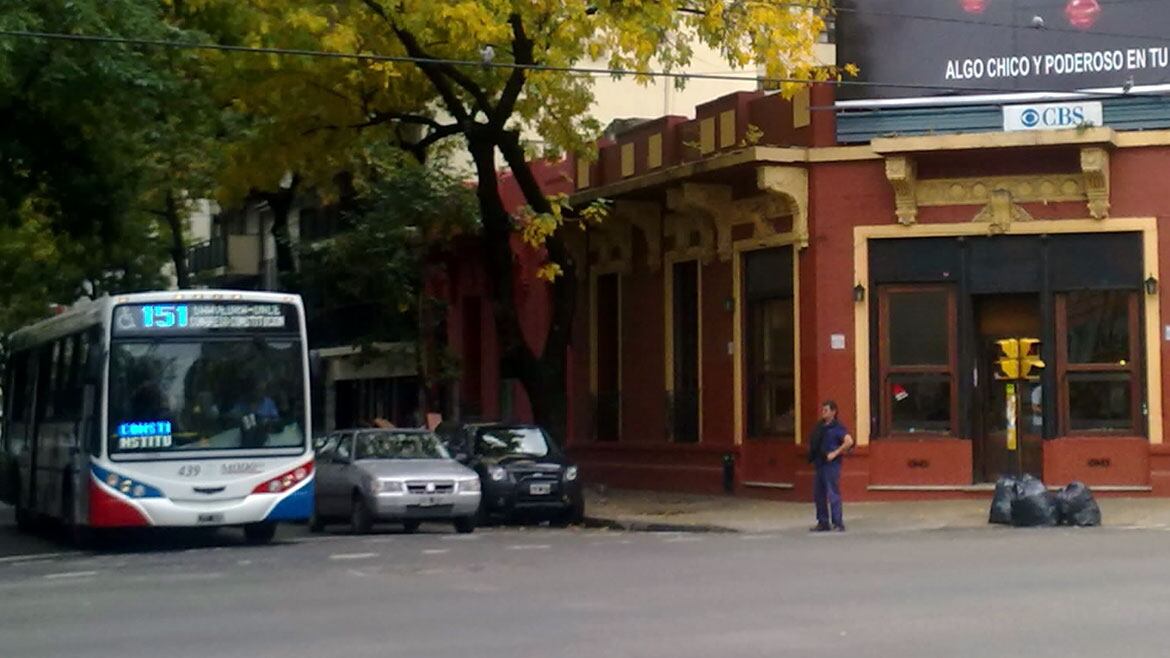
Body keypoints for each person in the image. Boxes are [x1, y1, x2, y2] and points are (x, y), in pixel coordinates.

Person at [808, 400, 855, 532]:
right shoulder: (820, 426)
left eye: (826, 410)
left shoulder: (837, 428)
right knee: (819, 494)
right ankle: (823, 522)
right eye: (823, 410)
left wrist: (835, 453)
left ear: (834, 412)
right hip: (820, 463)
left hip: (831, 465)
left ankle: (838, 523)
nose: (823, 412)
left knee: (832, 492)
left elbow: (849, 441)